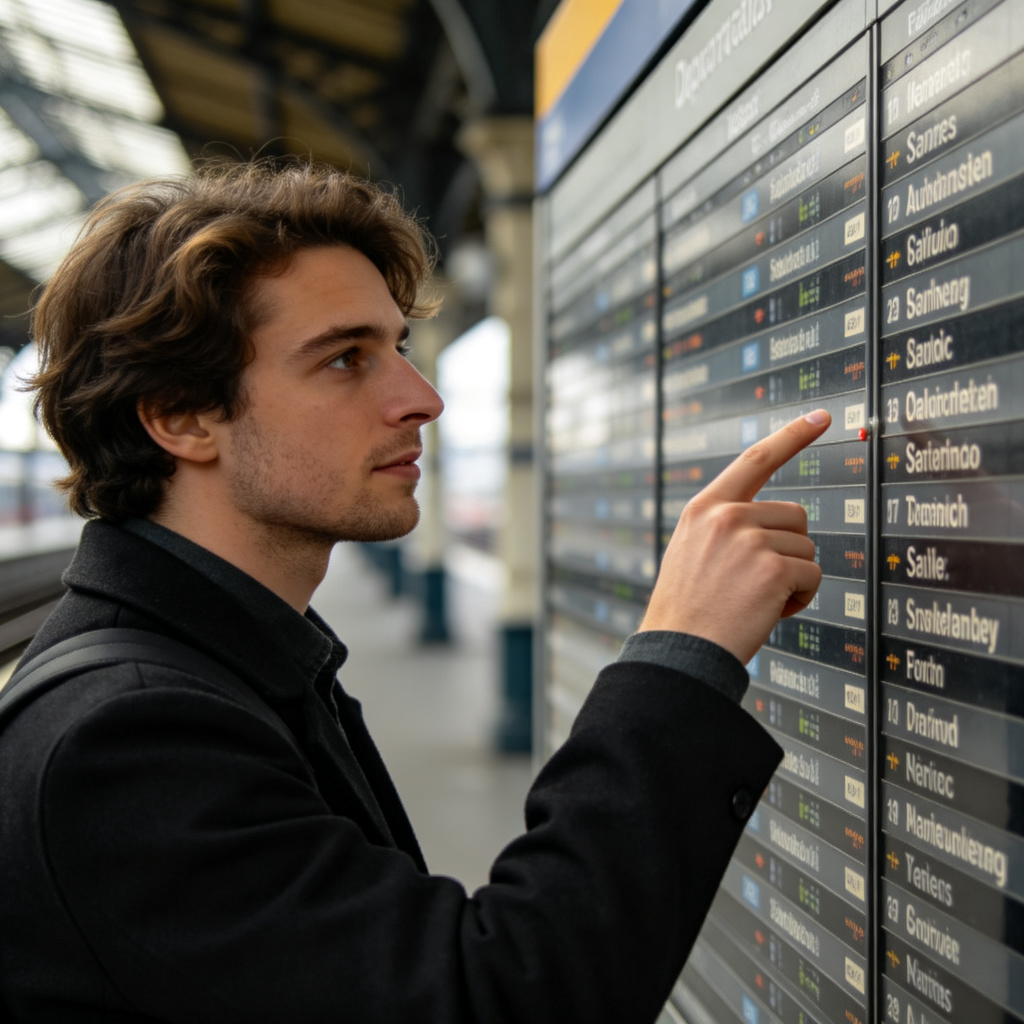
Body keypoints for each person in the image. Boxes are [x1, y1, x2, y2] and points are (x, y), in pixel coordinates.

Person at [0, 159, 829, 1023]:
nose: (422, 398)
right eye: (345, 359)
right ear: (179, 417)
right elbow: (491, 1003)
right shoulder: (124, 740)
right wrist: (683, 656)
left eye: (397, 347)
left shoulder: (229, 660)